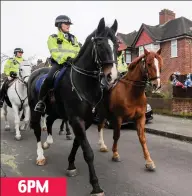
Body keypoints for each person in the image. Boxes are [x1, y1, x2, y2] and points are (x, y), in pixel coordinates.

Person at [34, 15, 81, 113]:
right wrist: (65, 59)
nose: (68, 26)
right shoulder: (53, 38)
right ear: (59, 25)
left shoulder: (74, 38)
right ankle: (41, 102)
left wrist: (75, 59)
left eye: (69, 24)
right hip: (59, 64)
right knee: (49, 78)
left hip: (73, 64)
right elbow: (54, 52)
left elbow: (78, 50)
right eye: (66, 24)